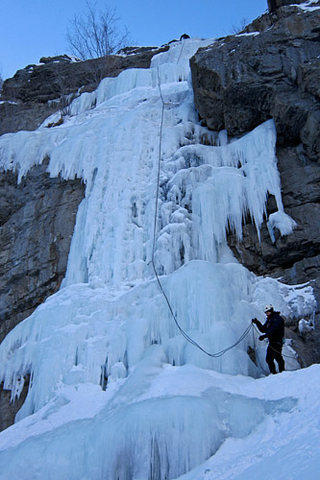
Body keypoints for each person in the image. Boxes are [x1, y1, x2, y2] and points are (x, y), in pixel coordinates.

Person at [252, 305, 285, 374]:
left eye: (268, 312)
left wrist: (264, 336)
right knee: (269, 359)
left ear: (271, 311)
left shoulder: (277, 319)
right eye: (266, 312)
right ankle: (274, 373)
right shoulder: (269, 320)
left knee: (277, 357)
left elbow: (273, 329)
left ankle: (282, 372)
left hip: (277, 341)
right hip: (272, 342)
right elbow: (263, 329)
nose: (267, 314)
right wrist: (257, 322)